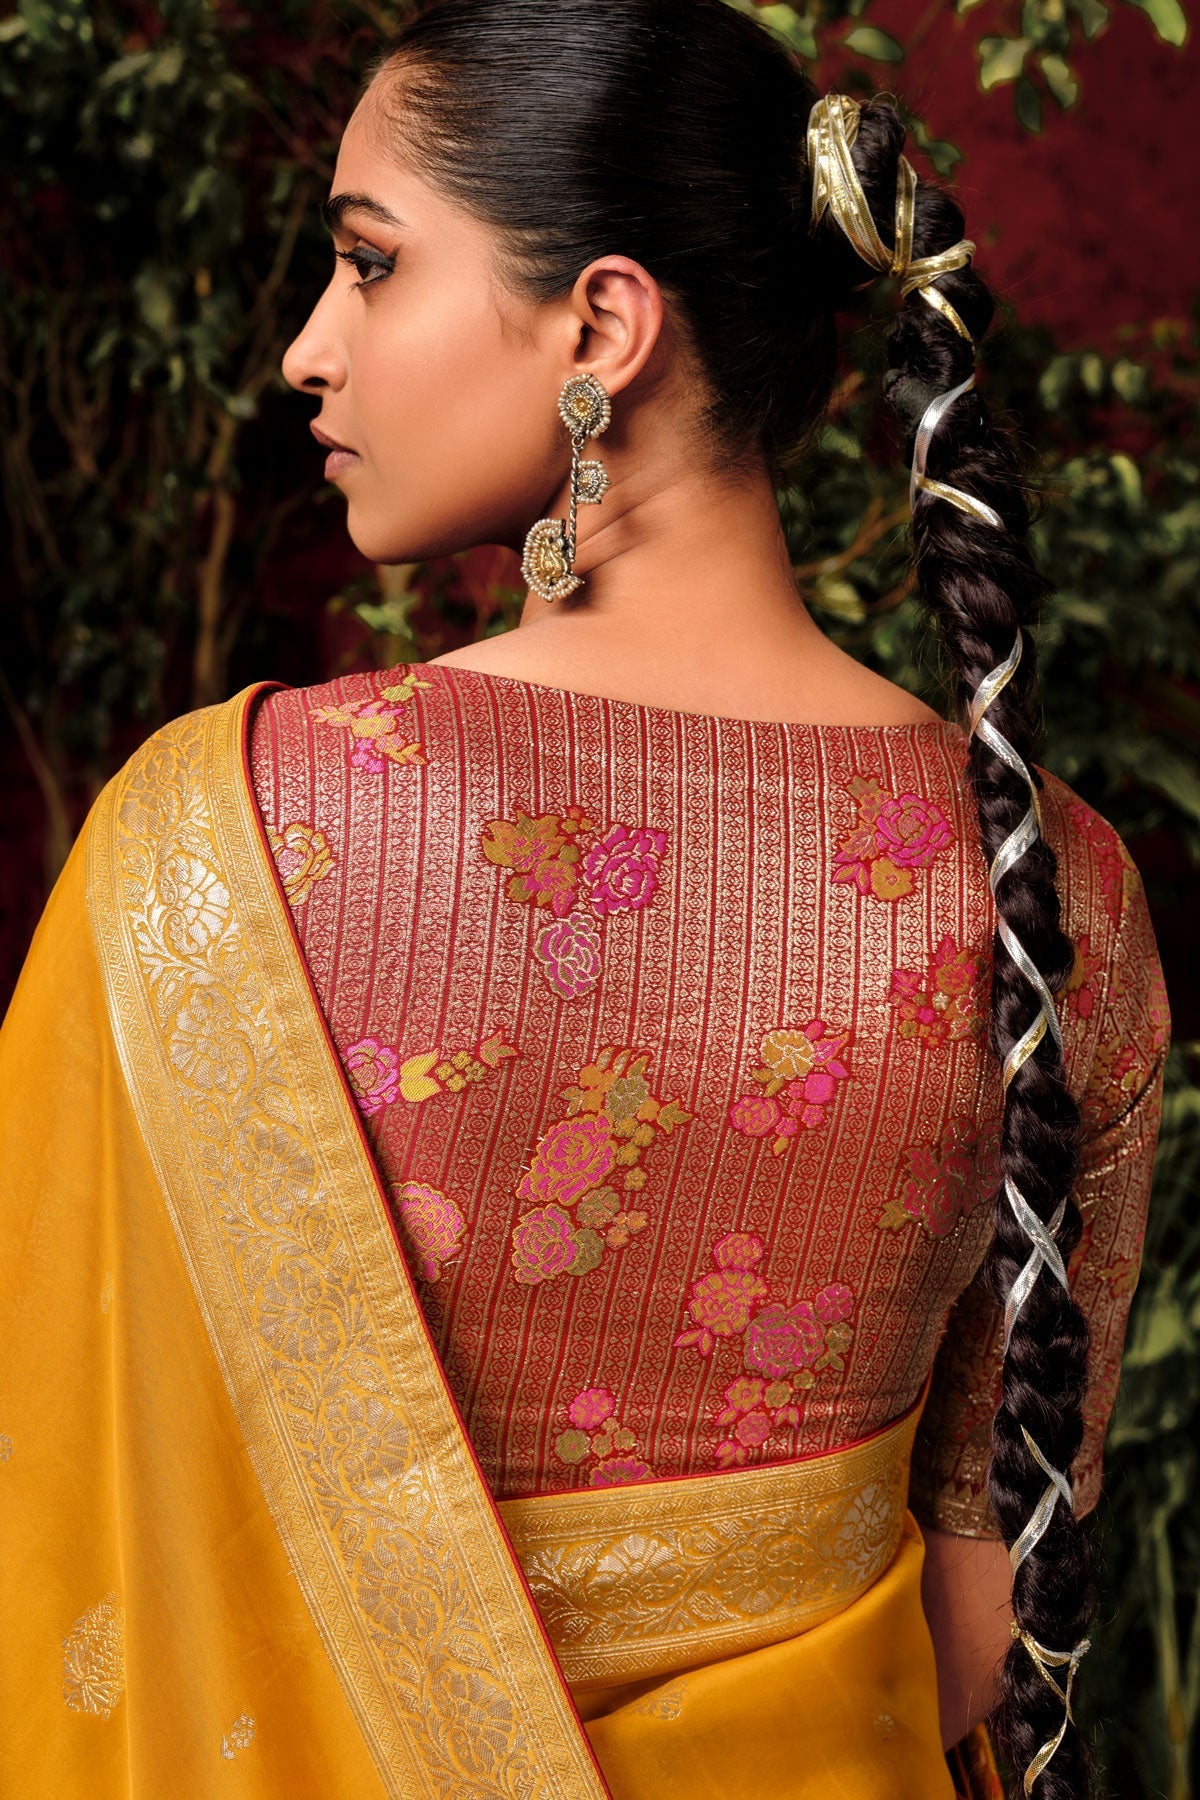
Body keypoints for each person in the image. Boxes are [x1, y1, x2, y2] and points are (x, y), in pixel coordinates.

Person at [0, 2, 1169, 1796]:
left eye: (371, 265)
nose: (308, 349)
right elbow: (989, 1614)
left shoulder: (226, 840)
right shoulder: (1051, 883)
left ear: (602, 327)